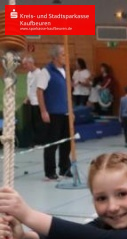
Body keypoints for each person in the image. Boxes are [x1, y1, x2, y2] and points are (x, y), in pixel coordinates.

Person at [36, 44, 71, 181]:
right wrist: (43, 111)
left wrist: (71, 111)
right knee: (52, 143)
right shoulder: (46, 71)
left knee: (67, 143)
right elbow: (40, 91)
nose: (66, 57)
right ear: (55, 57)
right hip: (53, 113)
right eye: (63, 54)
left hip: (65, 112)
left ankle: (65, 168)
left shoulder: (65, 71)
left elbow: (67, 94)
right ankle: (50, 171)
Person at [21, 55, 43, 148]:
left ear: (31, 63)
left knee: (38, 123)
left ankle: (40, 142)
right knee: (32, 123)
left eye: (25, 64)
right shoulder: (29, 74)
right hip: (31, 102)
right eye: (23, 64)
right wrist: (27, 97)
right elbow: (30, 88)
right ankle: (34, 141)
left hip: (38, 102)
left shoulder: (39, 73)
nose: (24, 66)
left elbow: (40, 89)